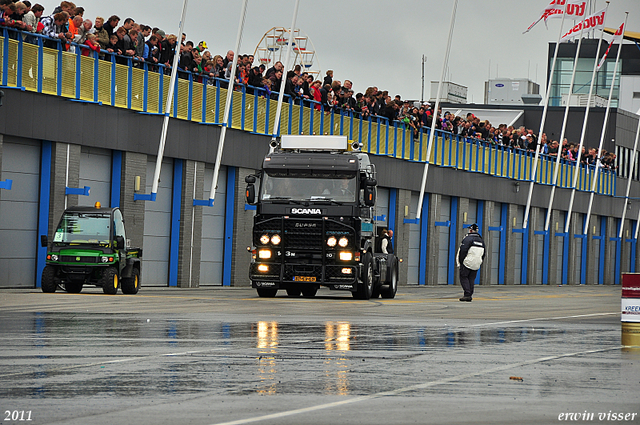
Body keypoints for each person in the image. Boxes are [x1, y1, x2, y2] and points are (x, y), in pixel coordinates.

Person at [457, 223, 485, 302]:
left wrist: (461, 261)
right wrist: (479, 261)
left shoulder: (468, 239)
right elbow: (484, 253)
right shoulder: (481, 240)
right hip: (476, 263)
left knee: (464, 277)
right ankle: (470, 294)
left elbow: (463, 250)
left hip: (467, 262)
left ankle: (467, 294)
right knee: (471, 279)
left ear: (470, 230)